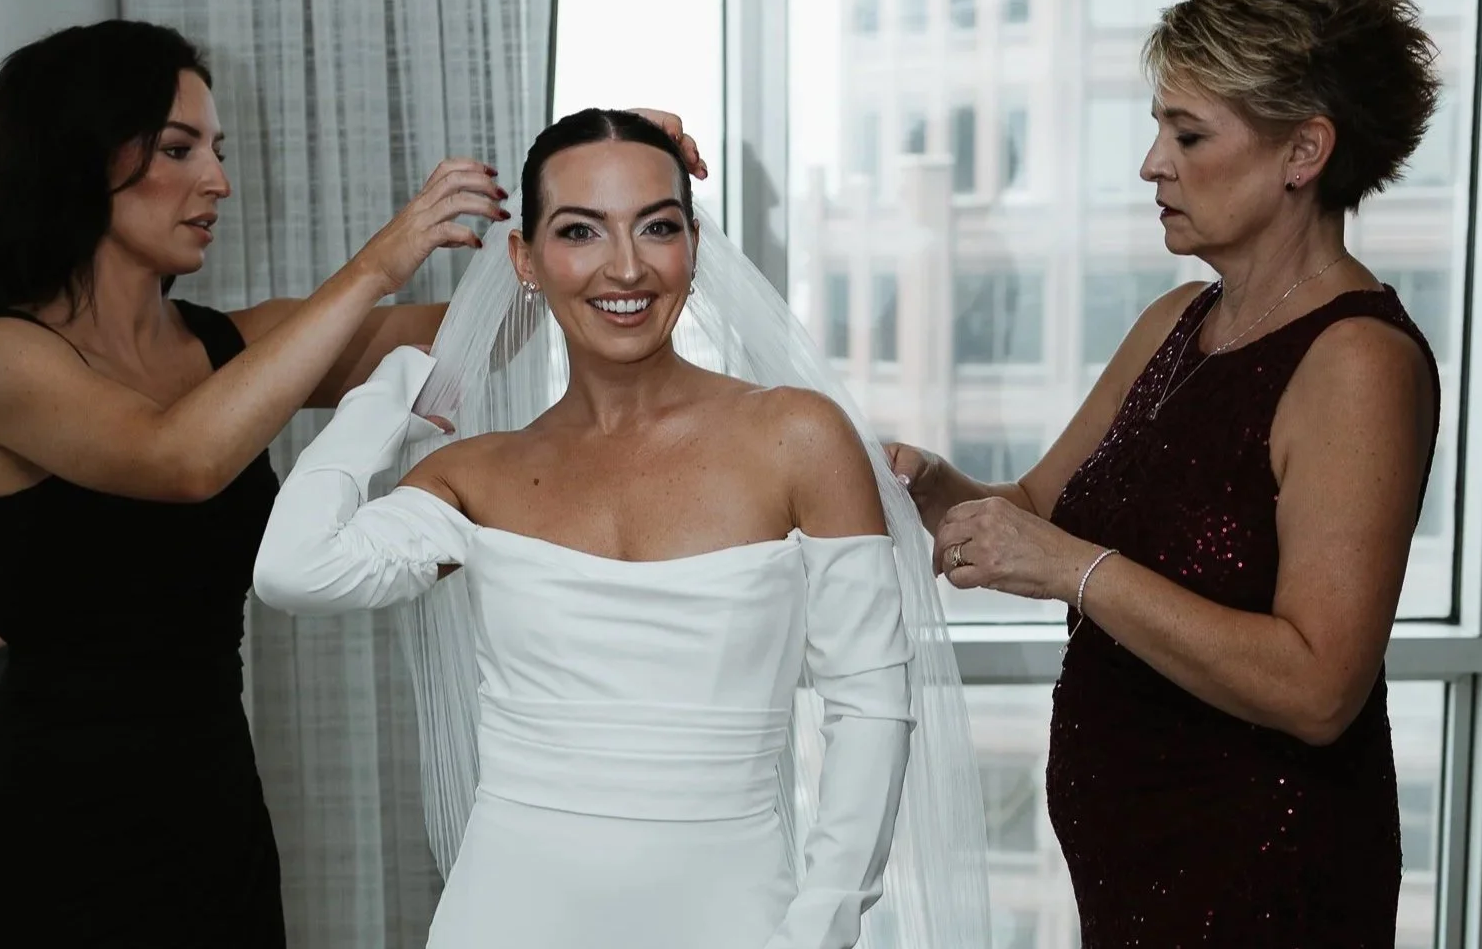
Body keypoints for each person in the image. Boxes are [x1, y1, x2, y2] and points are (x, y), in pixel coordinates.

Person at [0, 19, 701, 946]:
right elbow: (180, 459)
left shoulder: (230, 344)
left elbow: (483, 337)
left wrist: (597, 191)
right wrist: (382, 257)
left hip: (211, 808)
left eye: (217, 150)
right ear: (78, 157)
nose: (217, 180)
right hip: (49, 832)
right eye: (179, 148)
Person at [252, 109, 992, 949]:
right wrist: (394, 392)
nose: (627, 265)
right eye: (580, 230)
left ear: (694, 246)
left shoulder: (798, 436)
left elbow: (869, 704)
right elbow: (292, 568)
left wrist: (820, 927)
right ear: (524, 259)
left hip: (734, 922)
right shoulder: (475, 475)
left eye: (657, 226)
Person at [888, 0, 1441, 945]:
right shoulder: (1175, 320)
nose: (1151, 164)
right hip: (1135, 869)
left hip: (1264, 878)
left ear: (1302, 151)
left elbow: (1318, 685)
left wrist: (1076, 571)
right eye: (1157, 129)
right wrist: (920, 480)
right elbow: (1033, 512)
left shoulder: (1356, 361)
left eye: (1187, 136)